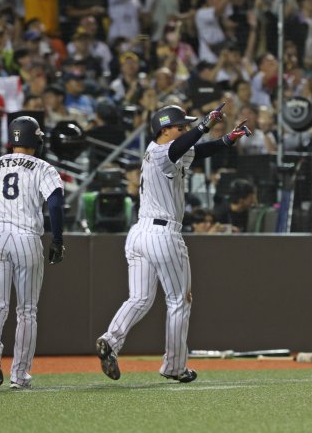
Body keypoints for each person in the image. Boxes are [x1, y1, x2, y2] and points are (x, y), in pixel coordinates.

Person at [95, 102, 251, 384]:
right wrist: (204, 125)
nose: (187, 129)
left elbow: (198, 150)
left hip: (140, 234)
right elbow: (184, 146)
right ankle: (175, 366)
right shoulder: (160, 152)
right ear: (165, 130)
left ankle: (110, 339)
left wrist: (227, 139)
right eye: (182, 126)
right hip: (162, 234)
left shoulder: (170, 151)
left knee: (140, 299)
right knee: (179, 301)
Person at [0, 116, 65, 390]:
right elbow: (55, 204)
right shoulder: (43, 167)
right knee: (27, 311)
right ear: (35, 138)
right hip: (26, 239)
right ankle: (19, 376)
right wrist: (57, 239)